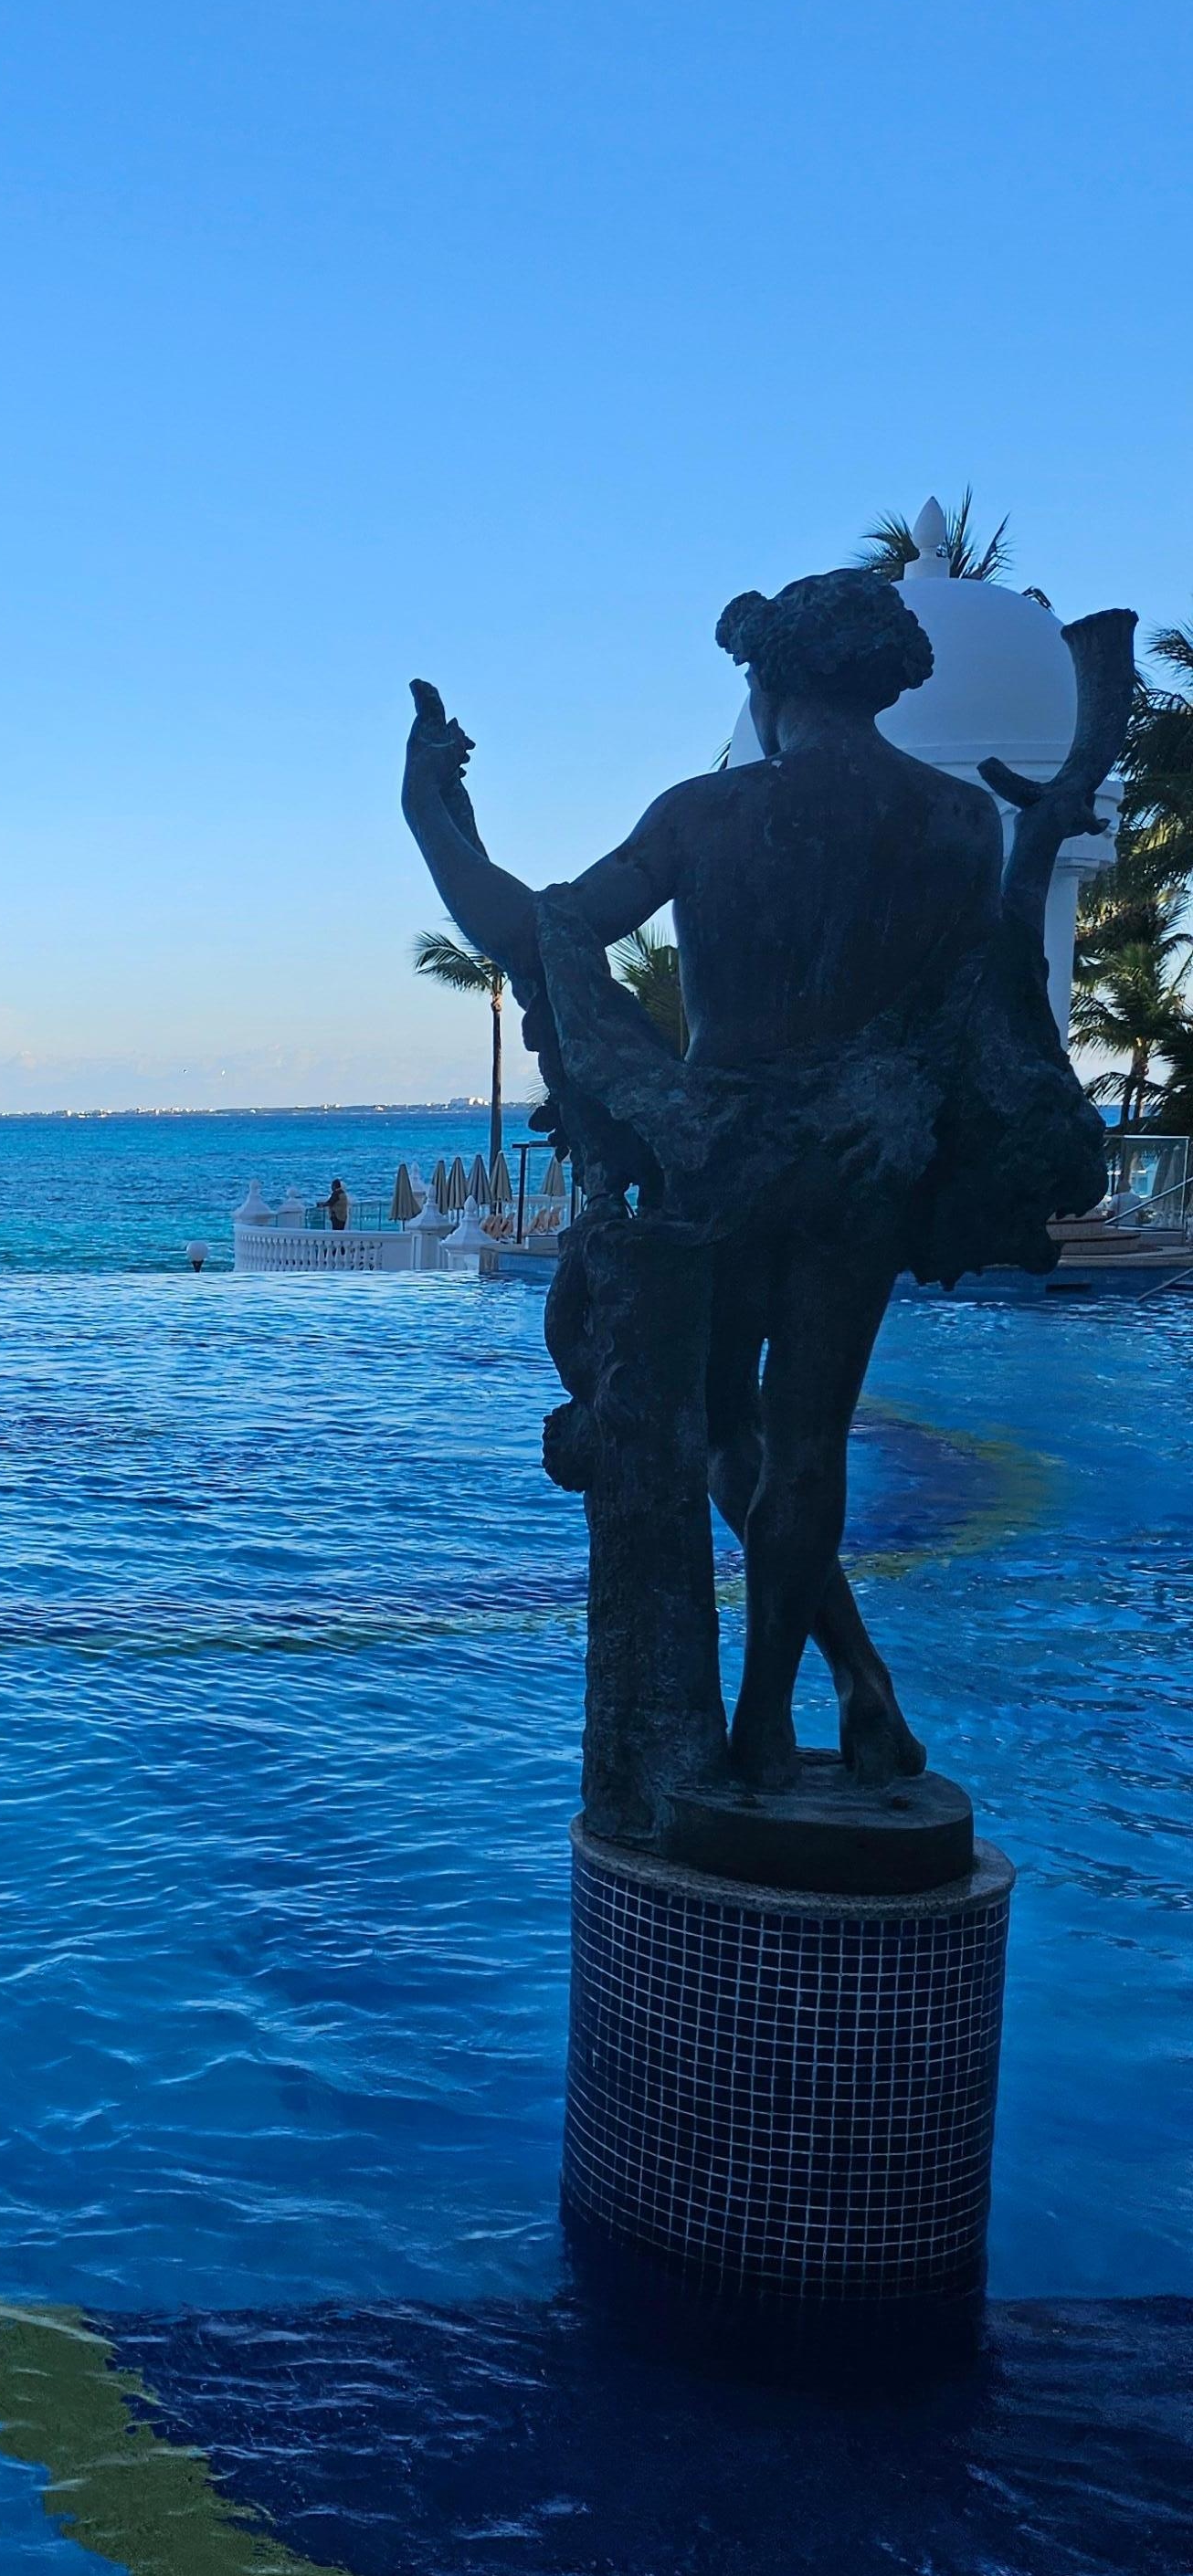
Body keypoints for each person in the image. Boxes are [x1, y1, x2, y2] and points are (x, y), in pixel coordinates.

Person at [402, 567, 1111, 1795]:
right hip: (860, 1163)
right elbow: (976, 1016)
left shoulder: (705, 816)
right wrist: (891, 1102)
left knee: (716, 1428)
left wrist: (432, 820)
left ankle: (802, 1718)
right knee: (812, 1443)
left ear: (774, 679)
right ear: (883, 678)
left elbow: (545, 934)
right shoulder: (960, 823)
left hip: (715, 1157)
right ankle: (800, 1704)